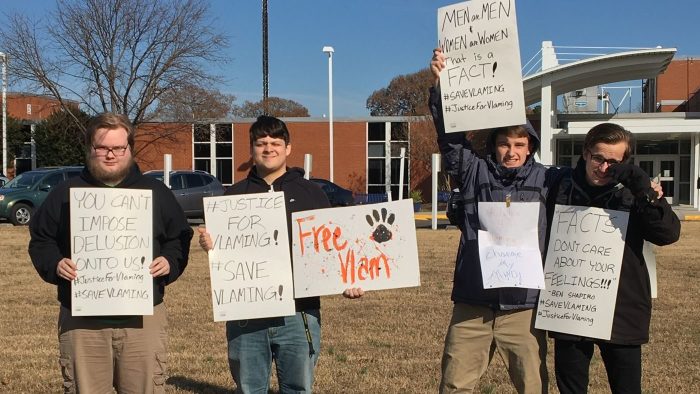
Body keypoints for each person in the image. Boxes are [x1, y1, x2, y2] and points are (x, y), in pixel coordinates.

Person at [28, 113, 193, 393]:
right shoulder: (65, 193)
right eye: (102, 147)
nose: (110, 155)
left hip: (143, 319)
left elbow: (178, 237)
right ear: (89, 147)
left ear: (129, 148)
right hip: (82, 321)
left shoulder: (155, 191)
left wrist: (169, 261)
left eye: (118, 148)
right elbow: (41, 240)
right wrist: (55, 264)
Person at [198, 115, 363, 393]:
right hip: (246, 314)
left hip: (299, 313)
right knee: (249, 388)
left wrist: (346, 280)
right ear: (251, 149)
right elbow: (224, 254)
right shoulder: (232, 197)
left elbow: (331, 247)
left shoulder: (312, 193)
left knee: (298, 387)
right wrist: (211, 245)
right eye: (261, 143)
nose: (268, 148)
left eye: (275, 142)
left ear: (288, 148)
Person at [430, 48, 560, 394]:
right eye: (504, 143)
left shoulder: (549, 181)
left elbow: (590, 184)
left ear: (530, 146)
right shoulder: (473, 171)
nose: (512, 151)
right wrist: (444, 88)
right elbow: (450, 139)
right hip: (473, 302)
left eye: (520, 144)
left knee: (533, 386)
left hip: (524, 306)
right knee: (455, 384)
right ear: (494, 145)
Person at [546, 122, 680, 394]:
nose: (603, 167)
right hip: (571, 308)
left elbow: (667, 234)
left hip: (622, 311)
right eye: (598, 158)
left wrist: (644, 188)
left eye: (613, 162)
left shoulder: (636, 194)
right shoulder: (560, 187)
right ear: (585, 153)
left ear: (625, 164)